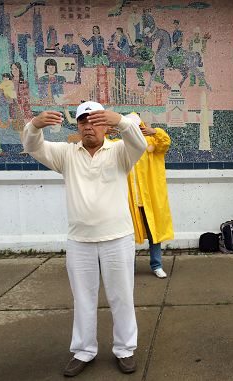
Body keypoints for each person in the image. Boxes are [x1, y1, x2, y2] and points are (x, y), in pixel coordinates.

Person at [22, 101, 147, 377]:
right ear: (77, 126)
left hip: (117, 237)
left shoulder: (120, 151)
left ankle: (125, 349)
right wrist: (34, 125)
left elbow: (140, 144)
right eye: (83, 122)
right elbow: (34, 147)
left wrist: (122, 121)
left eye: (95, 121)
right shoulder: (66, 154)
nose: (89, 127)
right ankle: (83, 350)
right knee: (83, 298)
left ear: (105, 124)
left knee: (122, 296)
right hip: (80, 241)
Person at [123, 114, 174, 278]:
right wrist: (109, 131)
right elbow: (105, 144)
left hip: (150, 198)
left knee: (154, 233)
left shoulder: (151, 144)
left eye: (137, 128)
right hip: (129, 199)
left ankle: (156, 265)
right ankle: (129, 267)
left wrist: (154, 131)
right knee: (127, 236)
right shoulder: (121, 145)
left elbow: (165, 142)